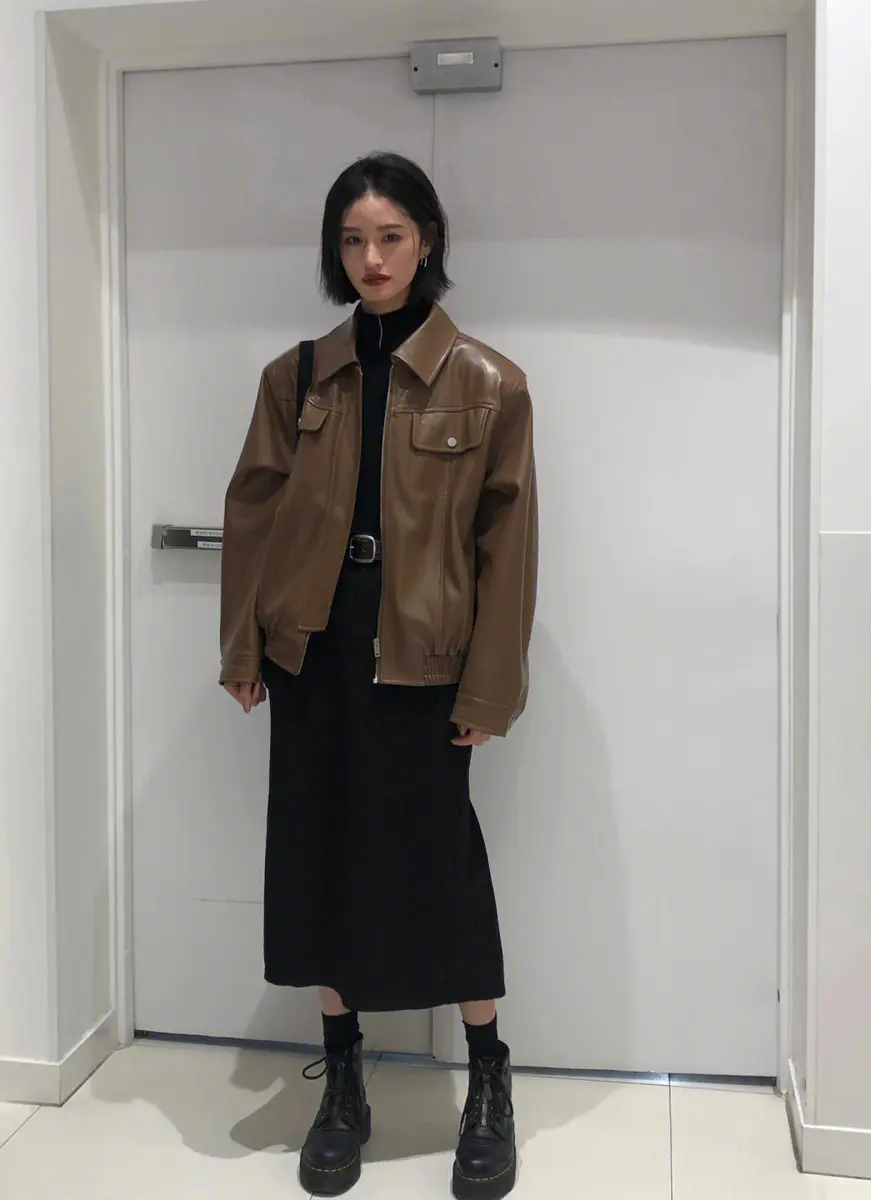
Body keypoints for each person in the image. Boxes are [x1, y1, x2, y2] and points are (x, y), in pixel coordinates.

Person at [218, 151, 538, 1198]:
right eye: (353, 240)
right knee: (318, 857)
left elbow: (507, 547)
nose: (371, 258)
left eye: (390, 236)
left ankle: (488, 1077)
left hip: (423, 655)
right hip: (314, 646)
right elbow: (254, 516)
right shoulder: (297, 377)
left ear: (426, 241)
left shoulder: (489, 382)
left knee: (441, 865)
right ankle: (344, 1078)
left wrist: (488, 689)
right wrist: (243, 648)